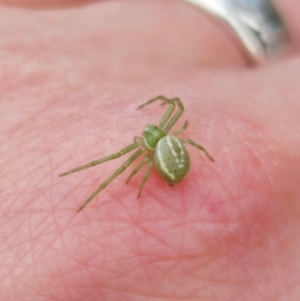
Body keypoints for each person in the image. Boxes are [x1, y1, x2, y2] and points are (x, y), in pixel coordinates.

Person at [1, 0, 299, 300]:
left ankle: (85, 190)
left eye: (150, 129)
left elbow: (131, 156)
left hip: (170, 159)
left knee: (119, 163)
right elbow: (177, 110)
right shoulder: (172, 131)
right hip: (173, 153)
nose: (147, 130)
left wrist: (142, 182)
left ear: (155, 132)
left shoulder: (148, 148)